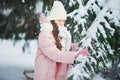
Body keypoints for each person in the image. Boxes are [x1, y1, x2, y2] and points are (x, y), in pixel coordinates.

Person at [34, 1, 88, 80]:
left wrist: (81, 45)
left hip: (59, 74)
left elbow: (69, 47)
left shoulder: (62, 33)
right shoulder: (45, 35)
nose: (61, 23)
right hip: (46, 74)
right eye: (59, 20)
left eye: (63, 21)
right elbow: (55, 54)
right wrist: (75, 55)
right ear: (52, 20)